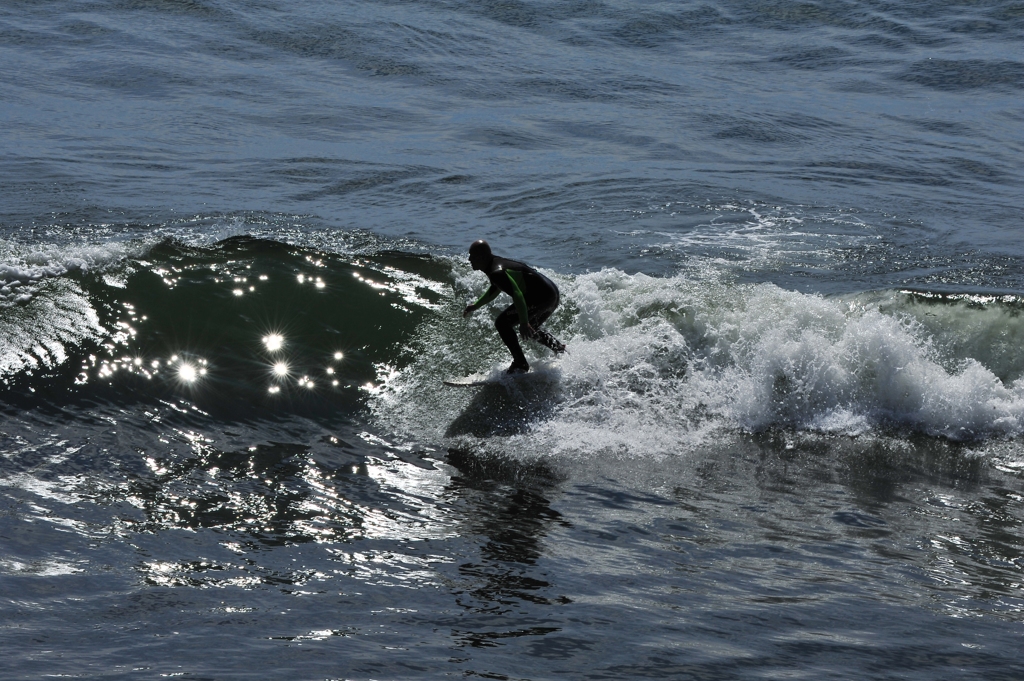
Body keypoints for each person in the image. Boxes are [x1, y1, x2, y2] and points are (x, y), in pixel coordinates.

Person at [462, 239, 566, 374]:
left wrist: (523, 322)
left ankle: (520, 363)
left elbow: (517, 295)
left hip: (542, 296)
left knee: (502, 323)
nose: (469, 259)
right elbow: (496, 288)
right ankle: (559, 348)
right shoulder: (494, 266)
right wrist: (476, 305)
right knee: (532, 328)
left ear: (481, 257)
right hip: (551, 294)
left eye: (472, 255)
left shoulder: (496, 271)